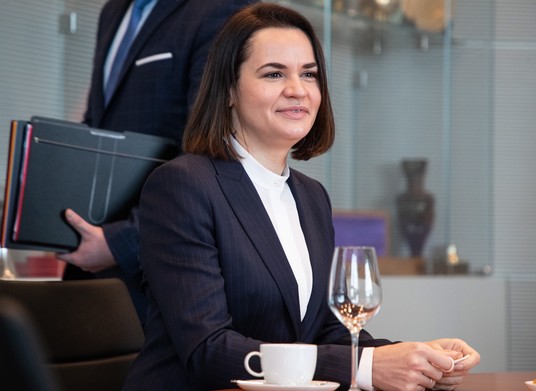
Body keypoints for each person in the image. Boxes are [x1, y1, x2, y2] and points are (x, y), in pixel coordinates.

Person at [122, 3, 480, 390]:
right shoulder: (182, 185)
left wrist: (419, 359)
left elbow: (326, 334)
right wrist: (366, 365)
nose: (297, 89)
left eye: (309, 75)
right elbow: (208, 350)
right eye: (274, 73)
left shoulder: (311, 197)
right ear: (228, 90)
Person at [56, 0, 256, 323]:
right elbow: (98, 123)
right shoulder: (112, 12)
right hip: (93, 260)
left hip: (160, 269)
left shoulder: (221, 8)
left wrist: (121, 241)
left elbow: (213, 143)